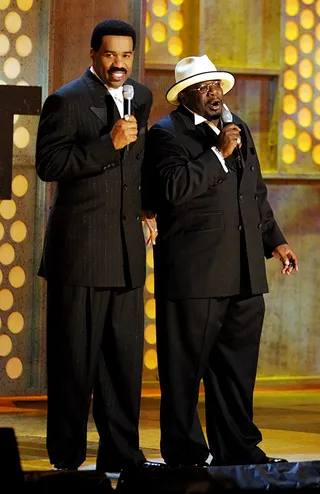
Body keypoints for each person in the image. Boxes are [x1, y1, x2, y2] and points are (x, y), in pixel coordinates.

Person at [142, 54, 298, 467]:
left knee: (236, 372)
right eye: (203, 88)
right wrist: (218, 154)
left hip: (245, 273)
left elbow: (255, 194)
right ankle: (186, 454)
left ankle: (239, 449)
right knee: (184, 373)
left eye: (216, 86)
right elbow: (172, 191)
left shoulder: (238, 127)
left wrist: (276, 241)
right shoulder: (166, 134)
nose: (213, 94)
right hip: (195, 275)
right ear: (185, 96)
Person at [35, 19, 156, 472]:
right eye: (110, 55)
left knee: (122, 364)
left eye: (126, 56)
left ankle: (122, 454)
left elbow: (136, 167)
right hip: (81, 254)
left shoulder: (140, 98)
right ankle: (66, 460)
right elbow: (49, 164)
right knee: (73, 366)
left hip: (126, 254)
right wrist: (109, 144)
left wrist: (146, 210)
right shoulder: (66, 100)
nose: (119, 64)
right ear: (93, 54)